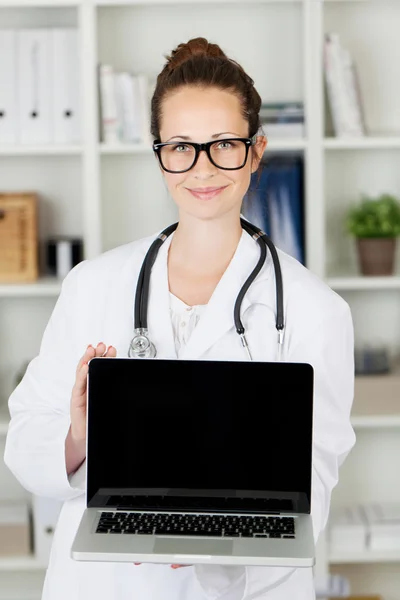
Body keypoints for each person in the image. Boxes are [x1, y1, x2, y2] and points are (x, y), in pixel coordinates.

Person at [4, 37, 355, 600]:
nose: (202, 168)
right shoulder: (92, 285)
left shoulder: (315, 312)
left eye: (224, 145)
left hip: (241, 589)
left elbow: (311, 494)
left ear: (256, 150)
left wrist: (204, 537)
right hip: (103, 586)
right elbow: (24, 443)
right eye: (181, 147)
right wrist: (78, 435)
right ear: (160, 153)